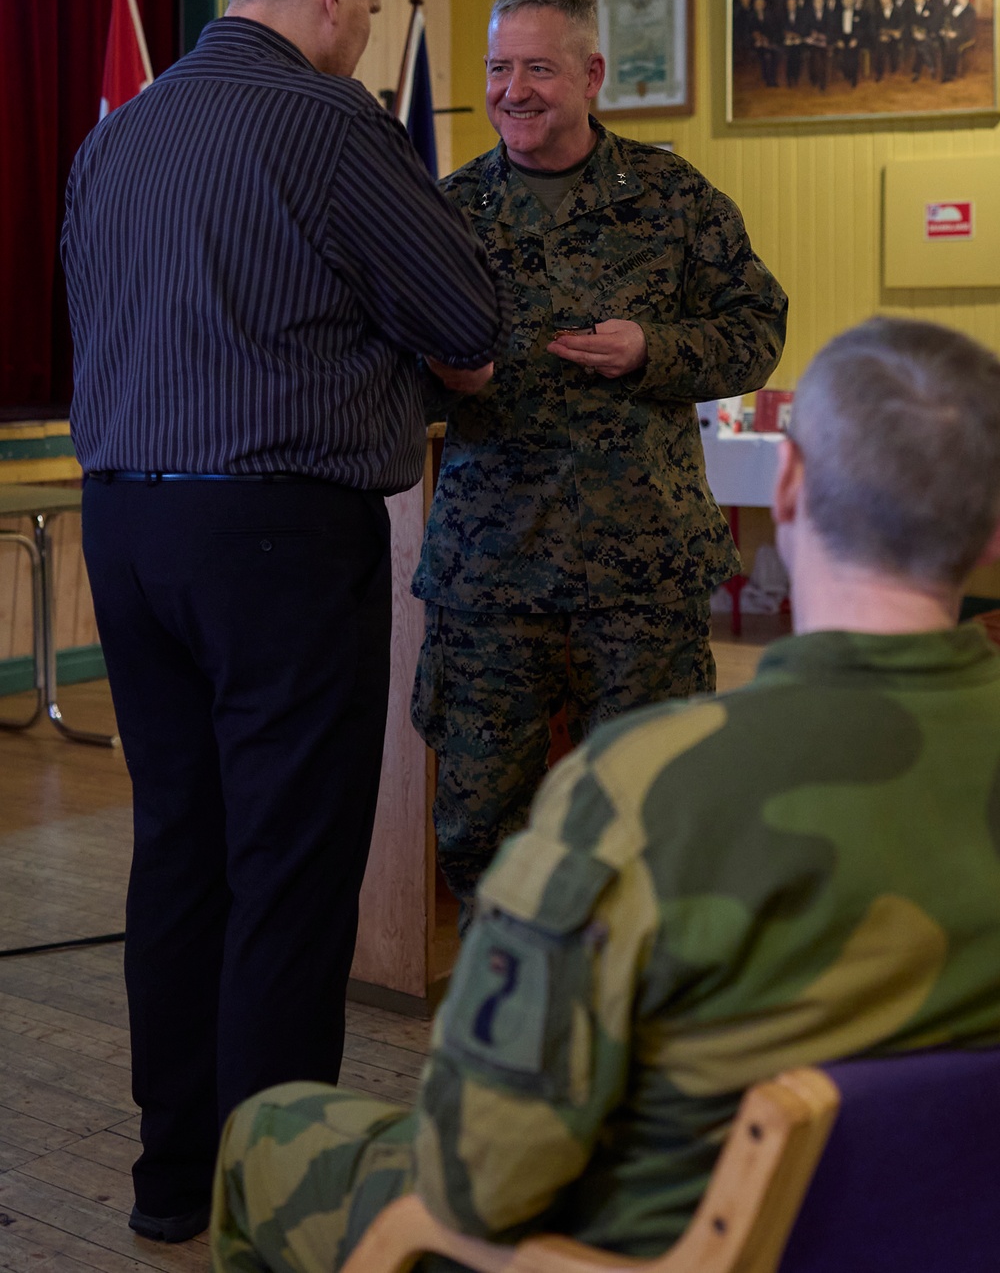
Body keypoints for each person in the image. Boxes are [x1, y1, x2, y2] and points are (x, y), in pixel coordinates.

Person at [211, 314, 1000, 1271]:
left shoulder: (649, 787)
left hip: (668, 1245)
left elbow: (474, 1177)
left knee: (268, 1131)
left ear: (787, 489)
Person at [60, 0, 502, 1244]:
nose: (368, 30)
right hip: (276, 534)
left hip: (127, 530)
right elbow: (469, 314)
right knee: (291, 862)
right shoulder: (327, 121)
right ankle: (278, 1196)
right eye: (370, 6)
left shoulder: (119, 139)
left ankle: (168, 1181)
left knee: (182, 848)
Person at [409, 0, 787, 922]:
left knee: (652, 809)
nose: (513, 89)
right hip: (490, 573)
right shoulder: (445, 211)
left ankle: (639, 1006)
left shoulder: (672, 197)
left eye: (538, 66)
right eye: (499, 67)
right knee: (475, 819)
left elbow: (757, 329)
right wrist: (440, 381)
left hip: (640, 573)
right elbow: (385, 363)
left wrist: (654, 350)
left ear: (592, 75)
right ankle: (511, 1000)